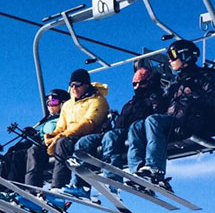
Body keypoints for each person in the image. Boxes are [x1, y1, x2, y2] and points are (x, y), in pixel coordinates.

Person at [126, 40, 215, 190]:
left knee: (153, 121)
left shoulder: (203, 75)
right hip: (173, 120)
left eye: (173, 55)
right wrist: (154, 91)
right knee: (136, 126)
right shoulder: (177, 80)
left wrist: (193, 92)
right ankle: (137, 170)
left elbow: (211, 101)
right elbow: (162, 103)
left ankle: (155, 169)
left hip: (191, 120)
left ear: (185, 56)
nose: (170, 60)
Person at [66, 63, 166, 202]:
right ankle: (79, 185)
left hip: (135, 131)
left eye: (141, 83)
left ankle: (115, 180)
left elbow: (156, 117)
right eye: (134, 84)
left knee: (112, 137)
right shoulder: (130, 103)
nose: (137, 87)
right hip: (118, 131)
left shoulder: (155, 98)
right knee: (84, 142)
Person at [43, 69, 109, 194]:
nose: (74, 88)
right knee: (40, 149)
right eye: (71, 85)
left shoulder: (97, 101)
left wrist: (62, 135)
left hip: (89, 135)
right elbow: (61, 127)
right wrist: (51, 136)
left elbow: (89, 123)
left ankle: (60, 186)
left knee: (63, 143)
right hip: (69, 137)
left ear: (86, 85)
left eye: (77, 85)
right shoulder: (68, 105)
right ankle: (18, 190)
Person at [0, 88, 68, 190]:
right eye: (48, 102)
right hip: (40, 143)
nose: (50, 105)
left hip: (50, 146)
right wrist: (34, 133)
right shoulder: (47, 119)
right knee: (10, 153)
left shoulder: (65, 118)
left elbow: (58, 132)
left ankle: (13, 190)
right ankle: (0, 190)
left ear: (63, 103)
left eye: (53, 101)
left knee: (18, 157)